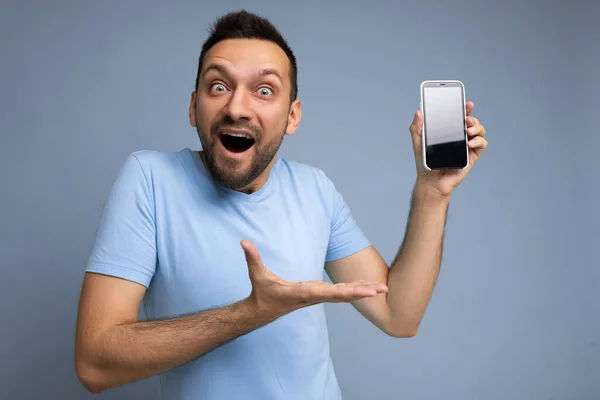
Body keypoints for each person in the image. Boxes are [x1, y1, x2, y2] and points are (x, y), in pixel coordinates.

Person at [74, 9, 487, 400]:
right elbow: (94, 364)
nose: (236, 106)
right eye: (218, 86)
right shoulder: (149, 179)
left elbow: (399, 314)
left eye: (264, 90)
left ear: (292, 117)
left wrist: (433, 193)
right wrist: (253, 312)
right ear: (193, 107)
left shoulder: (315, 189)